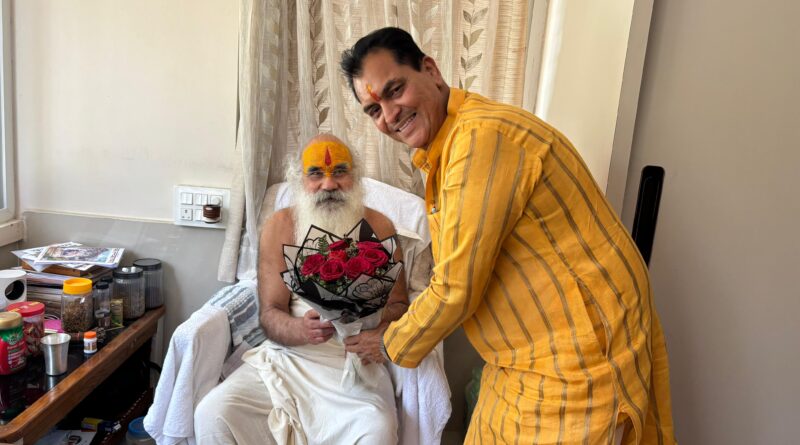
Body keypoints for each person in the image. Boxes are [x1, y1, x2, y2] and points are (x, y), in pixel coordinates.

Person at [341, 27, 676, 444]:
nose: (390, 115)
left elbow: (455, 288)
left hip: (579, 351)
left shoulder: (479, 139)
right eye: (374, 110)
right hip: (519, 355)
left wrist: (389, 343)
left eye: (395, 90)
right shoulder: (447, 145)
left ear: (431, 70)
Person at [194, 134, 409, 444]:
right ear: (300, 180)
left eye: (340, 171)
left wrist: (378, 335)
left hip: (354, 366)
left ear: (355, 176)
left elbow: (400, 306)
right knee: (214, 413)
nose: (329, 184)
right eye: (316, 173)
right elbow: (270, 313)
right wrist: (300, 329)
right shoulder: (280, 225)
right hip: (287, 362)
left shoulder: (380, 226)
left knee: (377, 430)